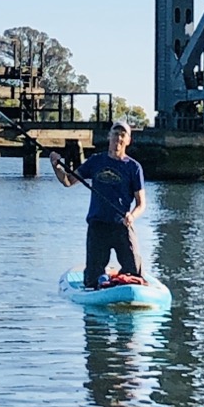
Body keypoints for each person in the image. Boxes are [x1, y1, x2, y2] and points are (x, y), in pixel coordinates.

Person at [50, 121, 146, 288]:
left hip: (122, 225)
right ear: (109, 137)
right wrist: (56, 166)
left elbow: (141, 204)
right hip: (98, 225)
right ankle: (98, 281)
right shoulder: (95, 161)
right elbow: (68, 181)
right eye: (115, 134)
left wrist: (132, 216)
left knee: (134, 272)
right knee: (92, 280)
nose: (118, 138)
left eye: (123, 135)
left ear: (128, 140)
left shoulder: (134, 168)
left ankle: (122, 280)